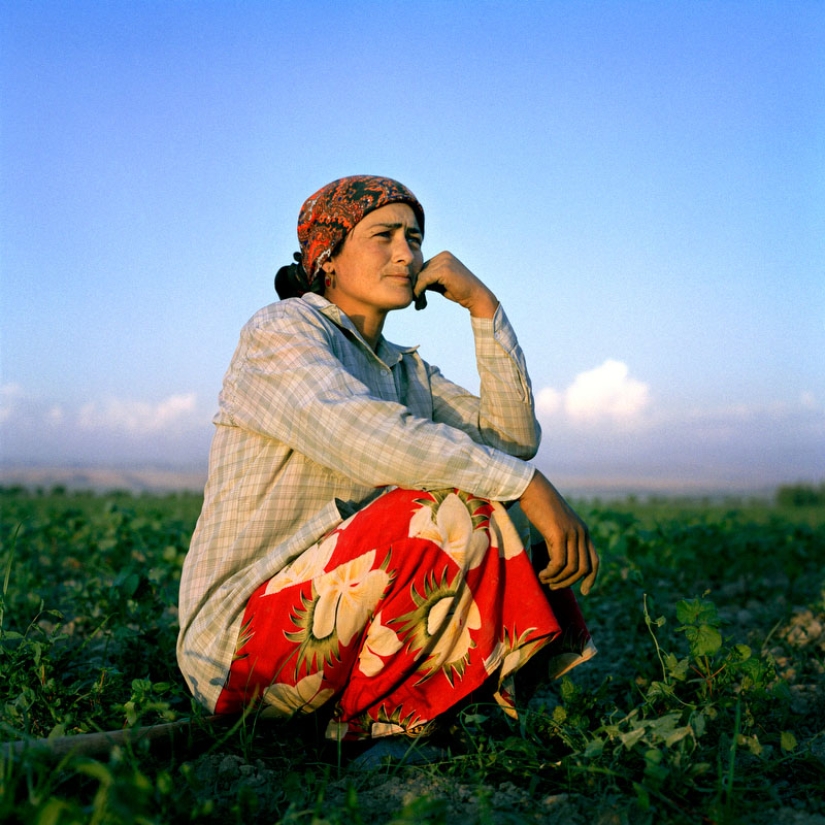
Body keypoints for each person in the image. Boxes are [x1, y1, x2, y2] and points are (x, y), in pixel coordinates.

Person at [177, 175, 598, 749]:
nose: (407, 252)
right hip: (239, 649)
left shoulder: (406, 371)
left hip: (340, 632)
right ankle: (376, 731)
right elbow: (361, 434)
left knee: (480, 492)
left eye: (415, 237)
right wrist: (528, 486)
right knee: (446, 506)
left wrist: (483, 307)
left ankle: (402, 708)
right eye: (384, 235)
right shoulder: (281, 332)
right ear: (328, 256)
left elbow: (511, 440)